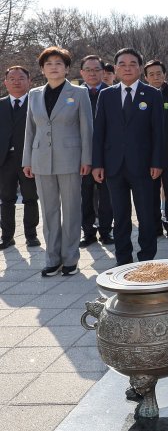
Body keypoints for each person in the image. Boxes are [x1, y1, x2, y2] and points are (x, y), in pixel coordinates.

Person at [22, 47, 94, 276]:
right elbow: (30, 130)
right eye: (49, 63)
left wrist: (87, 159)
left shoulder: (79, 93)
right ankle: (52, 258)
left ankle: (70, 258)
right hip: (40, 158)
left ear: (67, 68)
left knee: (72, 209)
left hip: (71, 159)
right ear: (42, 69)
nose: (54, 67)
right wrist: (27, 160)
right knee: (49, 211)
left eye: (59, 63)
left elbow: (86, 129)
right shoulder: (34, 94)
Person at [92, 48, 163, 265]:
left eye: (133, 63)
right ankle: (123, 258)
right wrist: (97, 164)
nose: (127, 67)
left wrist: (157, 162)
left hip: (143, 166)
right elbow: (99, 131)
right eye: (122, 64)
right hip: (114, 166)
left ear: (140, 68)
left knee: (146, 215)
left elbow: (158, 132)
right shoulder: (106, 95)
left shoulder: (152, 94)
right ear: (115, 68)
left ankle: (146, 257)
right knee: (120, 216)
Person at [0, 66, 40, 249]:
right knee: (6, 198)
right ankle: (7, 236)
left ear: (29, 81)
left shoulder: (36, 104)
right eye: (12, 79)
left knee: (30, 197)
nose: (17, 82)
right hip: (5, 160)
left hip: (28, 158)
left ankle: (31, 235)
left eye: (21, 78)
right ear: (5, 82)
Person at [78, 55, 114, 247]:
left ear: (103, 72)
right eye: (88, 69)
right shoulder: (74, 94)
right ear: (81, 72)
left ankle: (106, 231)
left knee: (107, 196)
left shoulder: (112, 93)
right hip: (82, 155)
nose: (92, 73)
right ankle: (88, 232)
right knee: (85, 196)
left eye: (96, 69)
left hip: (107, 155)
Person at [144, 59, 168, 239]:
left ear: (165, 74)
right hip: (149, 156)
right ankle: (156, 226)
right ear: (146, 77)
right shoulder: (143, 94)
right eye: (151, 74)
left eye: (159, 73)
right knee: (151, 193)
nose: (156, 77)